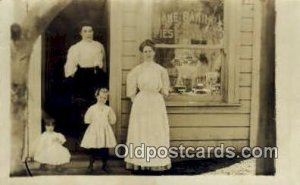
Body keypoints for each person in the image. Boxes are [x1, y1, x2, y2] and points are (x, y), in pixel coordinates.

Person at [125, 39, 171, 173]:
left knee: (156, 130)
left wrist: (158, 96)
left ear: (154, 52)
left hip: (156, 102)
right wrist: (138, 101)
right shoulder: (137, 70)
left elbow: (165, 90)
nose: (148, 53)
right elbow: (131, 90)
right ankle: (140, 162)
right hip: (141, 103)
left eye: (150, 51)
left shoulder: (161, 70)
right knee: (141, 130)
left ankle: (156, 162)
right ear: (142, 53)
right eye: (145, 51)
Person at [64, 20, 108, 102]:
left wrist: (102, 76)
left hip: (98, 76)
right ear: (81, 33)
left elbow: (104, 63)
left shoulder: (99, 46)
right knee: (83, 101)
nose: (88, 34)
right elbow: (70, 67)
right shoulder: (76, 47)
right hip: (83, 77)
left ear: (93, 32)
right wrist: (77, 78)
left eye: (90, 31)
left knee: (97, 100)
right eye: (85, 31)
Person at [80, 88, 117, 173]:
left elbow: (113, 120)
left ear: (107, 99)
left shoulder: (108, 109)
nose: (102, 99)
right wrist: (93, 123)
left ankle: (105, 165)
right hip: (94, 130)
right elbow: (87, 119)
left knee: (104, 148)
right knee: (93, 148)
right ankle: (91, 165)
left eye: (105, 98)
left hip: (104, 130)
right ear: (96, 96)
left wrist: (108, 121)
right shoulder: (92, 108)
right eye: (100, 97)